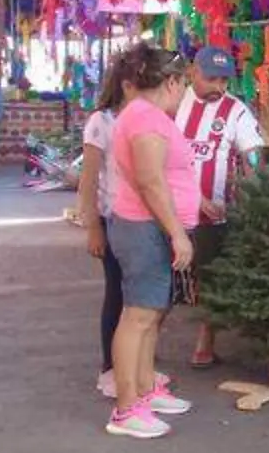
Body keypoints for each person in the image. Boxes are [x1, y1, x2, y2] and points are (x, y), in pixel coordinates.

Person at [106, 43, 196, 439]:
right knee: (138, 316)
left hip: (149, 226)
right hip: (145, 227)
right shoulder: (146, 118)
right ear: (172, 82)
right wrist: (176, 231)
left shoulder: (146, 115)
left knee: (150, 315)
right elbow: (150, 179)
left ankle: (143, 389)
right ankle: (126, 408)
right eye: (184, 86)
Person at [79, 56, 170, 400]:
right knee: (119, 295)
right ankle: (110, 369)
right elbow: (88, 181)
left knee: (146, 299)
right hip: (114, 218)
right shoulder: (101, 122)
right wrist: (93, 228)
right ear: (125, 85)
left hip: (149, 217)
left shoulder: (155, 118)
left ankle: (139, 367)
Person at [173, 45, 264, 368]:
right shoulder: (174, 103)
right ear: (192, 73)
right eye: (212, 79)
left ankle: (204, 344)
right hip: (167, 214)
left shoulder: (236, 111)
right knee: (163, 282)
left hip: (214, 218)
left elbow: (252, 154)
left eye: (224, 81)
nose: (219, 88)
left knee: (210, 279)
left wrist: (255, 184)